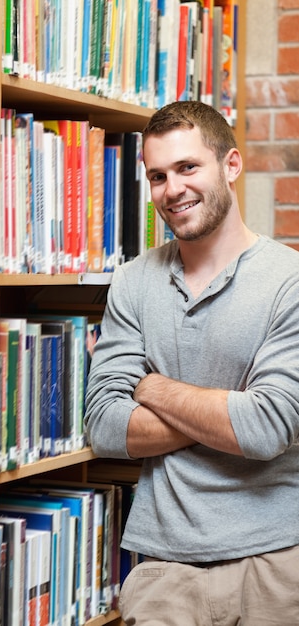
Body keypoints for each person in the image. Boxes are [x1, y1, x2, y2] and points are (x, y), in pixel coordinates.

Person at [84, 100, 299, 625]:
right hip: (163, 569)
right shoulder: (133, 281)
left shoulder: (289, 280)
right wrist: (228, 412)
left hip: (278, 560)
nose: (172, 189)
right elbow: (106, 427)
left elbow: (268, 426)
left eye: (187, 168)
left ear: (230, 165)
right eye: (157, 176)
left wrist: (152, 387)